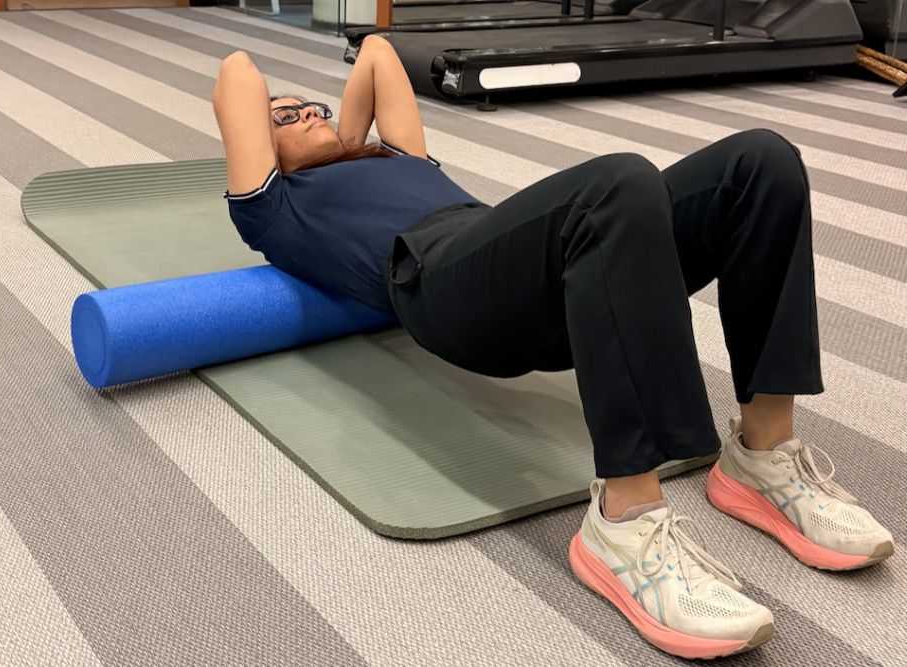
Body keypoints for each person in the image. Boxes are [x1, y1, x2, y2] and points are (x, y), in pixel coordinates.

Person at [212, 36, 895, 660]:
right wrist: (304, 140)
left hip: (542, 273)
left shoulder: (398, 157)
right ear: (262, 154)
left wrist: (345, 135)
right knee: (617, 183)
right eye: (284, 118)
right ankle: (623, 525)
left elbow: (379, 58)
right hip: (439, 289)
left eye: (312, 107)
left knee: (762, 162)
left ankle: (761, 456)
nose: (302, 113)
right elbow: (238, 73)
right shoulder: (273, 205)